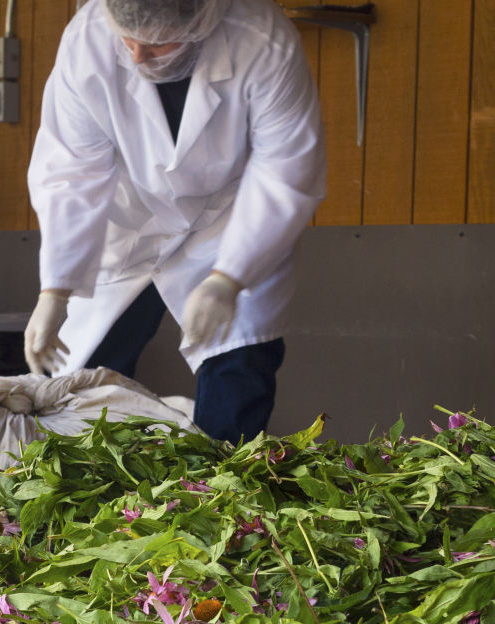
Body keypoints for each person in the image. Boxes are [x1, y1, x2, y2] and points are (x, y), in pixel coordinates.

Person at [25, 0, 325, 443]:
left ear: (203, 20)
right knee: (87, 375)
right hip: (130, 223)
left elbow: (283, 169)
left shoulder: (262, 40)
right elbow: (72, 171)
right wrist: (55, 289)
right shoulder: (87, 38)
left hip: (231, 220)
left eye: (157, 44)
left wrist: (229, 277)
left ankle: (223, 499)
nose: (137, 56)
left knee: (238, 364)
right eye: (127, 40)